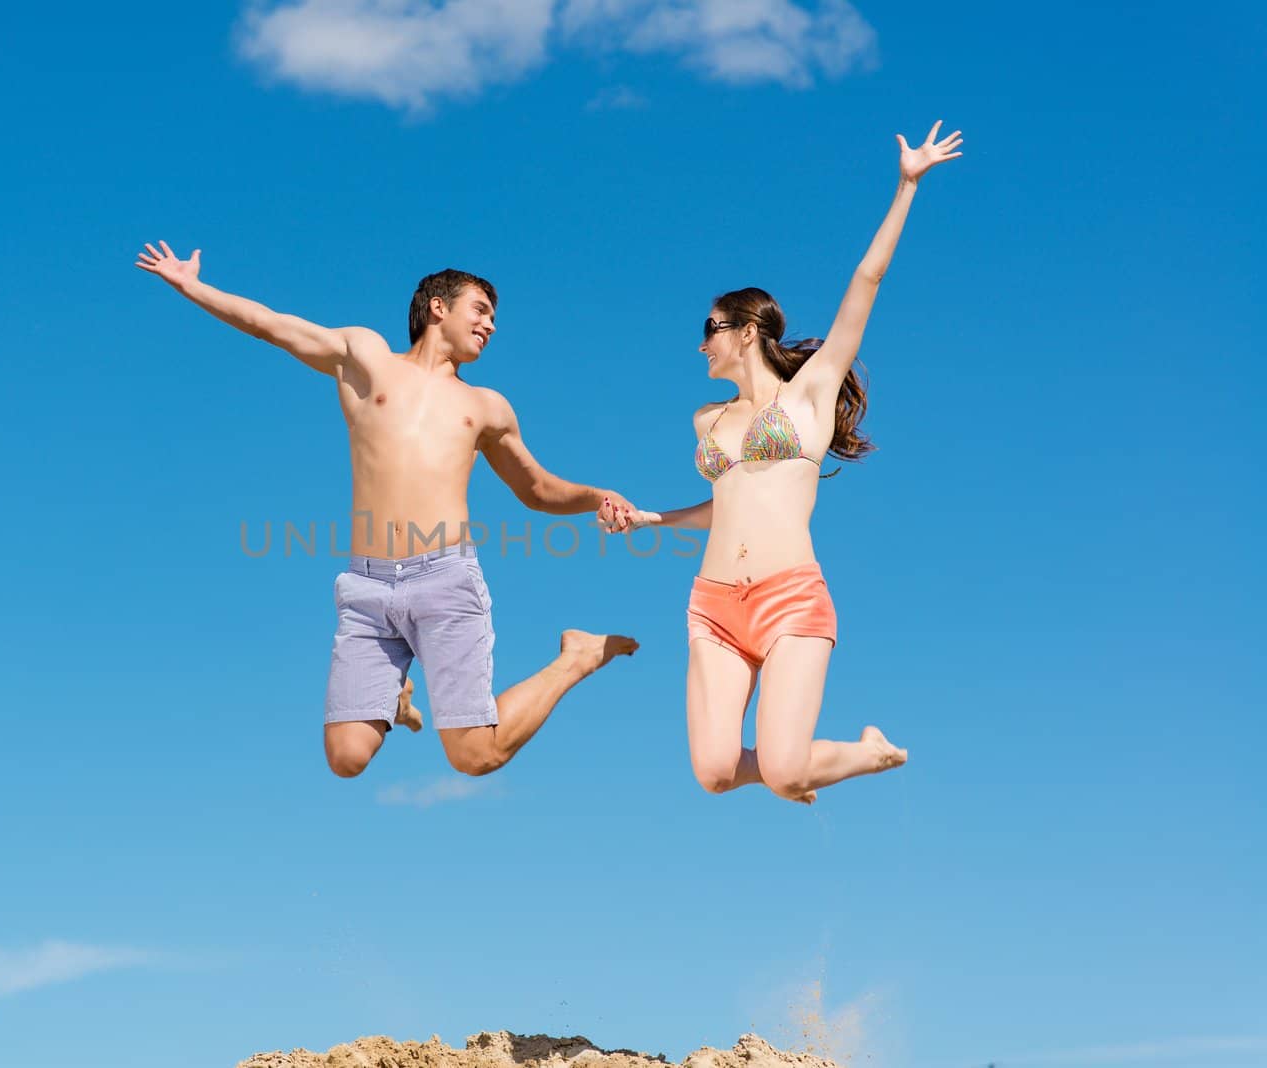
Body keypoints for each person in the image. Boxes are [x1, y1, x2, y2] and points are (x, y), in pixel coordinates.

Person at [135, 248, 640, 778]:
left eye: (494, 318)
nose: (490, 324)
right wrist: (192, 286)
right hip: (368, 589)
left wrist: (596, 495)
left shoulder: (487, 406)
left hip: (445, 580)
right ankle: (396, 698)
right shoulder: (366, 357)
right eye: (481, 309)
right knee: (347, 757)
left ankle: (576, 656)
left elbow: (537, 489)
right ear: (438, 307)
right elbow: (271, 326)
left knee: (476, 756)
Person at [599, 121, 963, 804]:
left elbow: (867, 278)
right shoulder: (706, 420)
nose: (701, 344)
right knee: (712, 773)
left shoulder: (813, 390)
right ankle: (800, 764)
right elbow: (727, 504)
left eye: (709, 329)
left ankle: (868, 753)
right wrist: (649, 519)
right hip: (712, 606)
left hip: (790, 595)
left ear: (746, 330)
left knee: (786, 771)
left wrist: (908, 184)